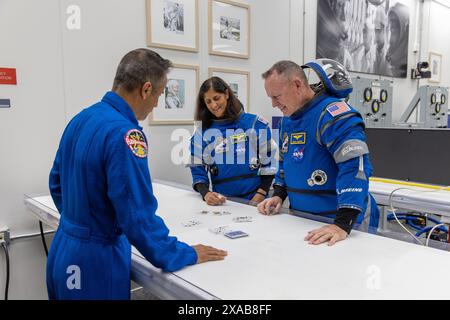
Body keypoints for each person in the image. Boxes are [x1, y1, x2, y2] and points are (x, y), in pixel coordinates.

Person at [47, 49, 227, 300]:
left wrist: (81, 223)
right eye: (159, 94)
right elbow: (136, 215)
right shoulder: (126, 135)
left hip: (63, 250)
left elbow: (56, 182)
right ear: (145, 89)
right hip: (95, 264)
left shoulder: (81, 118)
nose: (156, 104)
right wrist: (183, 253)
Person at [258, 59, 380, 246]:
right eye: (270, 98)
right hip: (306, 221)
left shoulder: (335, 115)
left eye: (277, 96)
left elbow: (355, 167)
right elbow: (285, 161)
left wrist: (342, 224)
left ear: (297, 84)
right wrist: (279, 195)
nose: (274, 104)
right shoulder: (287, 120)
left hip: (344, 224)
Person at [189, 77, 276, 206]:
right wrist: (206, 194)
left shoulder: (254, 124)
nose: (213, 105)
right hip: (223, 204)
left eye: (216, 98)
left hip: (257, 202)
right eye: (208, 101)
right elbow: (197, 170)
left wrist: (260, 195)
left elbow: (269, 164)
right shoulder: (201, 133)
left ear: (226, 94)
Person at [386, 3, 409, 78]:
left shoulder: (405, 61)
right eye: (391, 28)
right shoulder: (389, 55)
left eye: (395, 27)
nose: (392, 29)